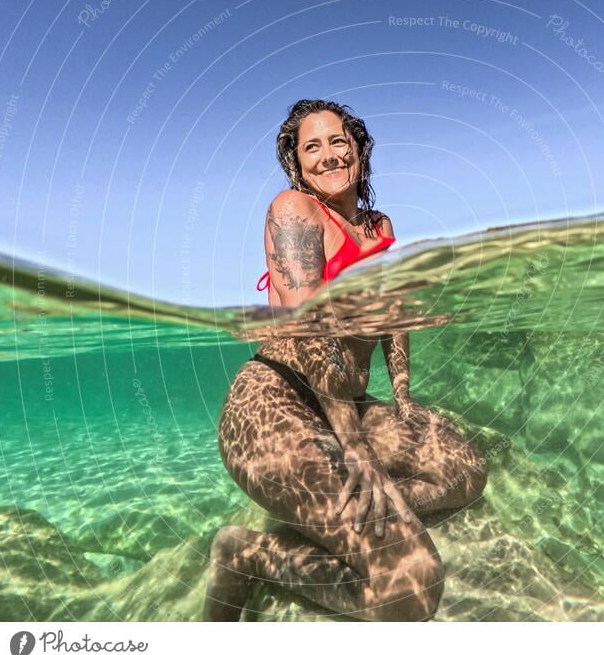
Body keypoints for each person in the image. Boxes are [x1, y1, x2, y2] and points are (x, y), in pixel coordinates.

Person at [203, 99, 487, 622]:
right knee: (413, 580)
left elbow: (392, 314)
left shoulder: (379, 226)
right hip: (277, 400)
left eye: (339, 141)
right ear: (297, 163)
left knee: (465, 468)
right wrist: (353, 449)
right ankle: (250, 555)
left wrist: (401, 394)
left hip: (346, 405)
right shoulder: (294, 209)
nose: (329, 154)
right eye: (312, 146)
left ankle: (330, 523)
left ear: (358, 149)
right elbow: (311, 327)